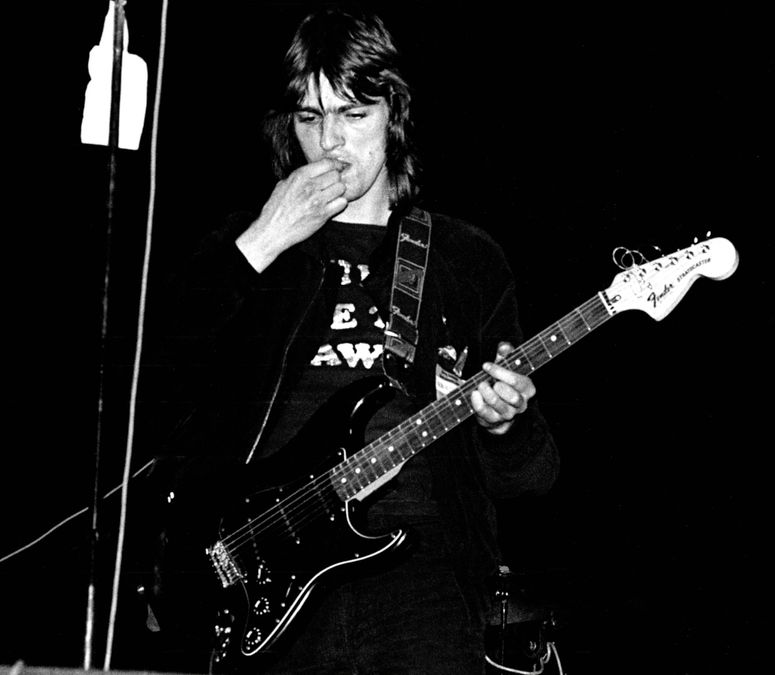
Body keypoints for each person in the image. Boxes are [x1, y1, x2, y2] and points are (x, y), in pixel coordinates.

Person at [136, 5, 558, 673]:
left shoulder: (464, 257)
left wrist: (508, 426)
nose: (331, 142)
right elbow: (153, 395)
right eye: (310, 117)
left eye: (354, 114)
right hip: (267, 584)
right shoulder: (242, 249)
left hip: (426, 582)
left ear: (394, 114)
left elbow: (529, 480)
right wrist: (261, 243)